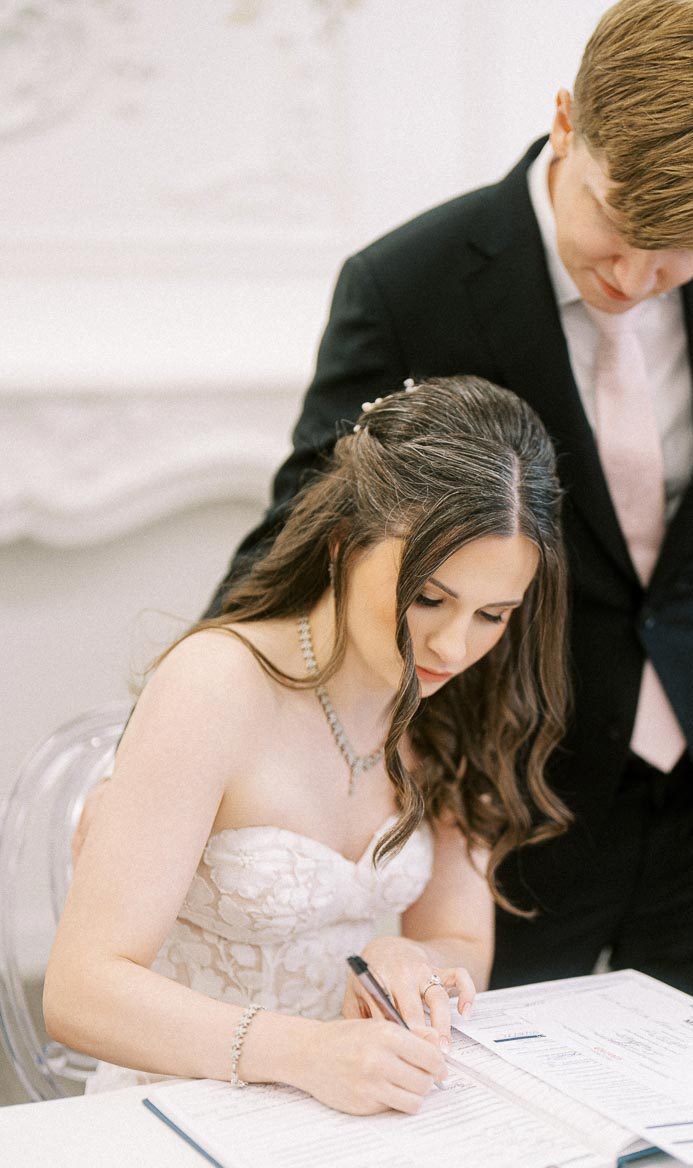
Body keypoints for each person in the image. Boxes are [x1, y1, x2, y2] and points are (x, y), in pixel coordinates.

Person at [213, 0, 693, 1004]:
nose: (637, 277)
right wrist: (181, 729)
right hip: (512, 798)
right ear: (568, 121)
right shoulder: (409, 285)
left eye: (683, 252)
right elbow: (304, 528)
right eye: (619, 225)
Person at [44, 375, 571, 1114]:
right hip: (182, 1103)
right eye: (428, 598)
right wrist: (303, 1053)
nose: (454, 647)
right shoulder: (215, 685)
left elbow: (461, 938)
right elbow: (80, 991)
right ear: (343, 544)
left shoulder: (462, 708)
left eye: (494, 614)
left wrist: (413, 958)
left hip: (341, 1105)